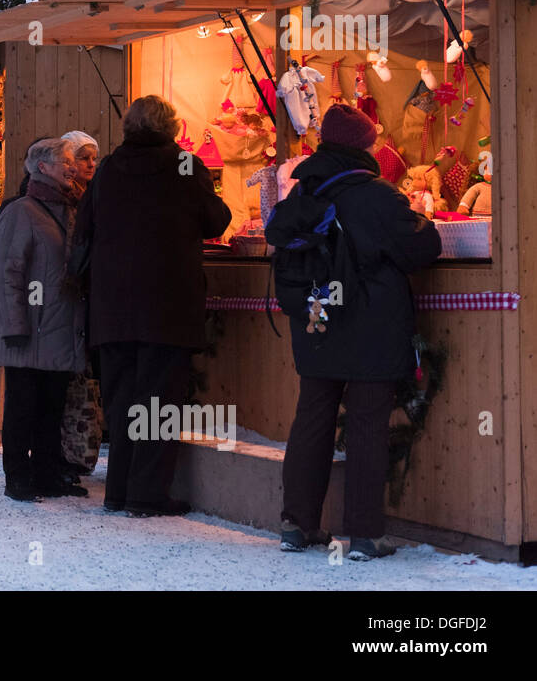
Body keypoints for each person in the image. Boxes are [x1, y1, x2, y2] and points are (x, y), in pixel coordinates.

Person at [267, 103, 441, 561]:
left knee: (312, 418)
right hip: (371, 325)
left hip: (317, 320)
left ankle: (296, 525)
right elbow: (424, 247)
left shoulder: (301, 193)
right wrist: (421, 218)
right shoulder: (377, 195)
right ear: (364, 145)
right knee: (367, 423)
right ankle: (365, 534)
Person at [71, 95, 231, 517]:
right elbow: (216, 221)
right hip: (167, 305)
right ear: (172, 127)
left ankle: (119, 490)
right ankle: (146, 494)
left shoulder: (106, 170)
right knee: (158, 399)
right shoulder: (184, 165)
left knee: (122, 400)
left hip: (111, 308)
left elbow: (83, 227)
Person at [0, 138, 90, 500]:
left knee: (52, 407)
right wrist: (14, 326)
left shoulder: (72, 209)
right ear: (42, 168)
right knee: (22, 407)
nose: (72, 167)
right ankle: (17, 476)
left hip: (61, 328)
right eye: (64, 161)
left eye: (72, 161)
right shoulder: (22, 211)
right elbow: (6, 273)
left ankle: (47, 472)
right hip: (29, 329)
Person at [57, 131, 104, 477]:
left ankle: (78, 450)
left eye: (93, 158)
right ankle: (69, 452)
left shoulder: (91, 194)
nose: (90, 164)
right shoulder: (66, 198)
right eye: (83, 158)